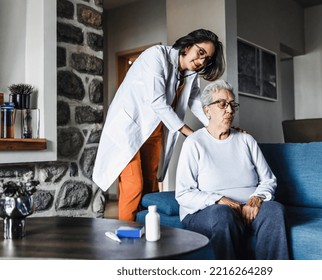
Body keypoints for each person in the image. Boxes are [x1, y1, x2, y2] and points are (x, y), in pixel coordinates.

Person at [92, 29, 225, 221]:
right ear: (187, 46)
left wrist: (215, 126)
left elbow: (195, 102)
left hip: (154, 131)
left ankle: (147, 233)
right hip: (128, 129)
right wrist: (191, 133)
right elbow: (157, 101)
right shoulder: (156, 56)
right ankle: (127, 239)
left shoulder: (190, 73)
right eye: (201, 53)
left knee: (150, 185)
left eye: (207, 59)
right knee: (133, 185)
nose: (202, 61)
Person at [175, 80, 289, 260]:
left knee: (275, 210)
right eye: (222, 104)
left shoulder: (246, 140)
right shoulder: (194, 143)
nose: (229, 110)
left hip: (249, 207)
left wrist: (256, 199)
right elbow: (183, 194)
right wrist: (219, 199)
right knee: (223, 215)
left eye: (232, 105)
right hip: (208, 211)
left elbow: (268, 180)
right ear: (207, 110)